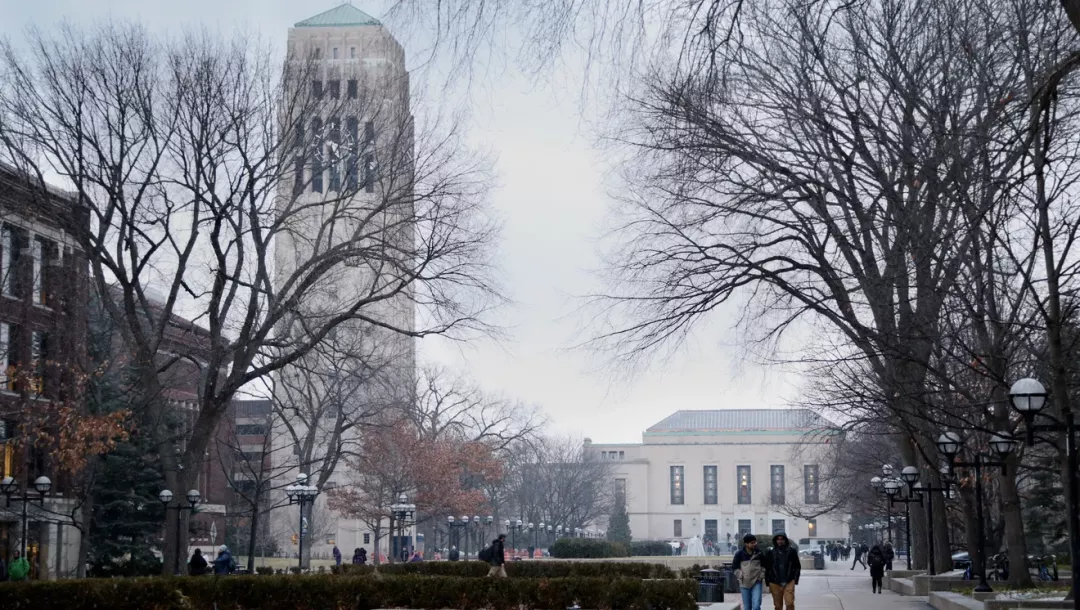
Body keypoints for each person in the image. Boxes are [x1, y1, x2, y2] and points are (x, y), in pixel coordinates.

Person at [764, 533, 800, 610]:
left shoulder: (791, 551)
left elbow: (797, 566)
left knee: (790, 602)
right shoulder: (770, 552)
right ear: (775, 540)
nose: (780, 541)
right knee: (777, 605)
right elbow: (767, 567)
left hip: (789, 580)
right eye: (778, 539)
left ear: (785, 540)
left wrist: (795, 579)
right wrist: (768, 581)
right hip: (774, 581)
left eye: (782, 539)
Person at [733, 534, 765, 610]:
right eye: (752, 542)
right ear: (746, 544)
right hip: (744, 583)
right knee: (747, 607)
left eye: (755, 542)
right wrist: (740, 575)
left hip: (757, 582)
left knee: (756, 605)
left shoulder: (759, 553)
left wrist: (761, 576)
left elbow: (764, 566)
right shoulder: (739, 554)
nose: (755, 544)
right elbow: (734, 567)